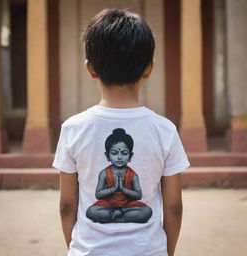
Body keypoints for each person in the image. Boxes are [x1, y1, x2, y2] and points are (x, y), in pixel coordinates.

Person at [53, 8, 190, 256]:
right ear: (149, 69)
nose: (119, 157)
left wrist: (76, 248)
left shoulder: (73, 128)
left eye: (123, 153)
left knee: (141, 210)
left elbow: (66, 206)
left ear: (90, 69)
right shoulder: (165, 130)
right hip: (143, 246)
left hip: (95, 246)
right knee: (98, 209)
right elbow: (173, 207)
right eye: (114, 152)